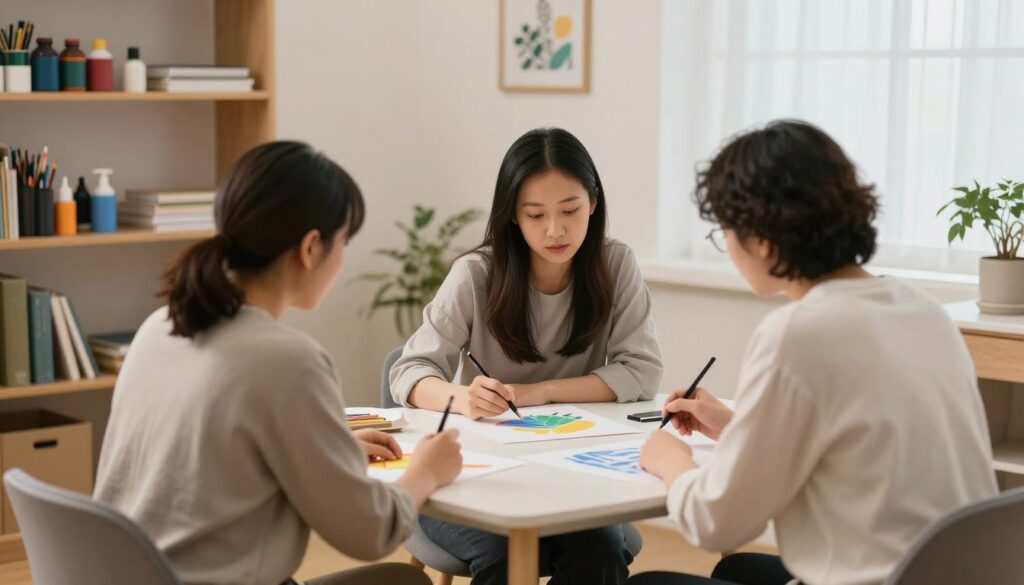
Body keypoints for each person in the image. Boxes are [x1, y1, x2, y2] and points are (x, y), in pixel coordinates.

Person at [631, 120, 997, 585]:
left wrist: (669, 460)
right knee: (741, 567)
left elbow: (717, 521)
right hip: (947, 573)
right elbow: (857, 444)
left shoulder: (797, 333)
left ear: (761, 239)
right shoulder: (925, 312)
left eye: (724, 231)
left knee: (649, 583)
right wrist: (739, 427)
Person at [94, 141, 462, 585]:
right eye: (343, 241)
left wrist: (325, 442)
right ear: (311, 248)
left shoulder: (160, 326)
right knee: (403, 582)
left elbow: (208, 443)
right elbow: (370, 533)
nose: (342, 256)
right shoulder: (290, 362)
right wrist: (426, 470)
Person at [390, 127, 663, 585]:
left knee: (601, 550)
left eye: (570, 210)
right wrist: (463, 398)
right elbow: (410, 371)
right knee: (499, 551)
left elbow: (641, 371)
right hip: (478, 476)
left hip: (575, 474)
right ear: (512, 216)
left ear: (593, 204)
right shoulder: (476, 275)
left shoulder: (615, 266)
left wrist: (539, 392)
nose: (555, 230)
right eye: (535, 214)